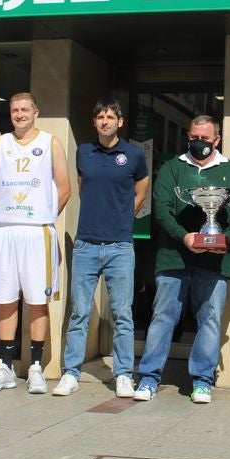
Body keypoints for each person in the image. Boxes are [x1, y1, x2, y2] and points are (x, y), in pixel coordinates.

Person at [134, 115, 230, 403]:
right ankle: (148, 377)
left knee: (210, 318)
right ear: (188, 136)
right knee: (163, 317)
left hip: (215, 261)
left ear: (217, 140)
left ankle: (202, 380)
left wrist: (226, 239)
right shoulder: (173, 168)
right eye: (194, 138)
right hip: (173, 257)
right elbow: (162, 208)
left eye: (205, 139)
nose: (199, 143)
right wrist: (185, 237)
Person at [53, 98, 149, 398]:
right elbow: (83, 187)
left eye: (110, 117)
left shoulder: (133, 154)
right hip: (86, 245)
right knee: (79, 312)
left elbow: (141, 192)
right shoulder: (84, 152)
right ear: (94, 122)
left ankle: (122, 374)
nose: (105, 121)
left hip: (120, 245)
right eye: (100, 117)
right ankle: (70, 373)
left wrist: (121, 217)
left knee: (122, 313)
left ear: (120, 121)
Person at [0, 92, 70, 394]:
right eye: (14, 110)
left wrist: (42, 215)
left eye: (24, 110)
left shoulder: (50, 143)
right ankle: (5, 367)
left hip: (36, 231)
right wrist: (3, 214)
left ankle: (34, 367)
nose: (19, 114)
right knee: (5, 298)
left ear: (36, 112)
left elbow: (65, 188)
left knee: (37, 299)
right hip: (5, 230)